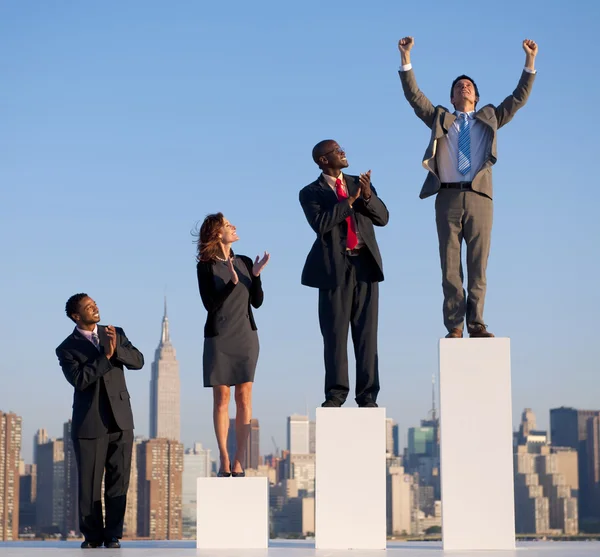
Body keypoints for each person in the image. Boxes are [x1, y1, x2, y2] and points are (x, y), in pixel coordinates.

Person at [397, 36, 538, 338]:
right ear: (451, 98)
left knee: (478, 264)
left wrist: (530, 62)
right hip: (446, 195)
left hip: (479, 197)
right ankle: (455, 326)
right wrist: (406, 57)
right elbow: (414, 96)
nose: (464, 87)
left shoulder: (489, 117)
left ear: (476, 96)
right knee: (449, 266)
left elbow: (518, 98)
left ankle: (477, 323)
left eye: (469, 86)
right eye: (459, 86)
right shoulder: (440, 117)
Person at [299, 140, 389, 408]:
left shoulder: (359, 184)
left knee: (367, 335)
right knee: (335, 335)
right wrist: (350, 201)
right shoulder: (310, 193)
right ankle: (336, 395)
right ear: (323, 160)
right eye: (337, 150)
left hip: (365, 267)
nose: (343, 152)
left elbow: (383, 218)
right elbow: (321, 224)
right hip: (334, 270)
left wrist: (367, 196)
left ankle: (368, 396)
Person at [56, 293, 144, 549]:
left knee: (119, 482)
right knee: (90, 485)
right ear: (76, 316)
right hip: (90, 424)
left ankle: (113, 535)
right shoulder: (66, 348)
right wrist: (105, 357)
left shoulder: (114, 332)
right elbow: (80, 380)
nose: (95, 308)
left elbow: (138, 361)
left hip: (121, 421)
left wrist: (116, 351)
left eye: (94, 303)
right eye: (88, 306)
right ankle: (92, 537)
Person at [196, 213, 269, 476]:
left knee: (244, 397)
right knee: (222, 398)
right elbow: (210, 305)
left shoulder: (245, 261)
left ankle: (239, 461)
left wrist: (256, 276)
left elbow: (257, 302)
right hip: (219, 337)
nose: (234, 227)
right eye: (228, 225)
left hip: (246, 337)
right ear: (217, 233)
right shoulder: (205, 266)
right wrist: (231, 283)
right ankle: (224, 458)